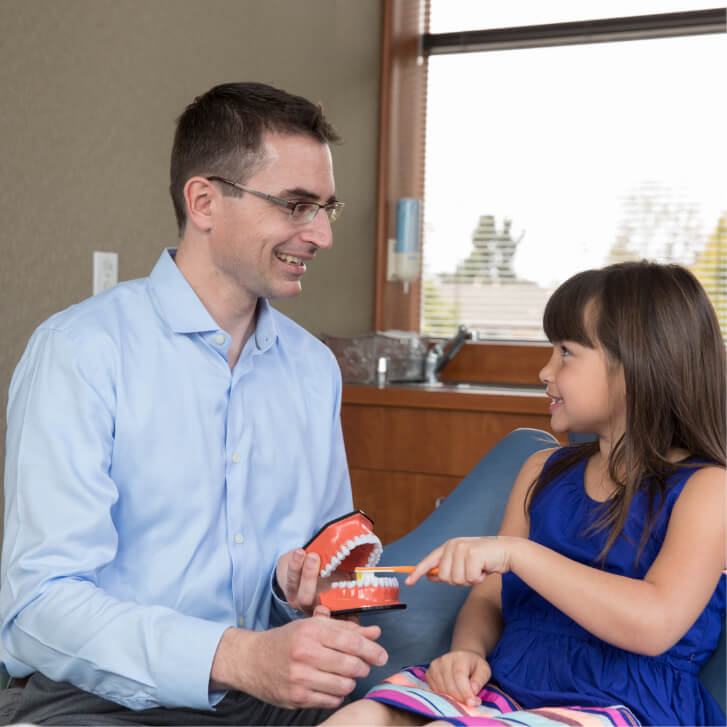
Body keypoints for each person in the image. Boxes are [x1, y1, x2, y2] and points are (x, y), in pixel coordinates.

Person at [0, 82, 387, 726]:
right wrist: (236, 656)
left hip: (271, 698)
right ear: (204, 201)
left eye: (326, 208)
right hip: (110, 701)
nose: (320, 233)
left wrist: (300, 591)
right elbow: (40, 606)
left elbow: (331, 561)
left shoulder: (314, 369)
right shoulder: (81, 352)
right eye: (296, 205)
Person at [324, 261, 726, 726]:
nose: (544, 370)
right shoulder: (541, 472)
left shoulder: (706, 490)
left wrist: (518, 554)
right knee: (361, 718)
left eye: (565, 352)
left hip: (622, 707)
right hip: (511, 687)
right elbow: (490, 595)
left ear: (637, 363)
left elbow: (655, 624)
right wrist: (466, 651)